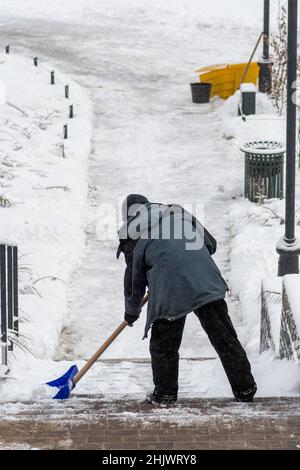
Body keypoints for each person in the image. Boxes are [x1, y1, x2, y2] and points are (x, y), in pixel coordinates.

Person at [117, 194, 257, 405]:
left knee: (165, 344)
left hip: (169, 288)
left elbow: (134, 281)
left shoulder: (131, 233)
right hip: (204, 278)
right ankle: (245, 388)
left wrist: (131, 311)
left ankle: (165, 394)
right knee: (223, 336)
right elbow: (211, 244)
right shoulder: (176, 211)